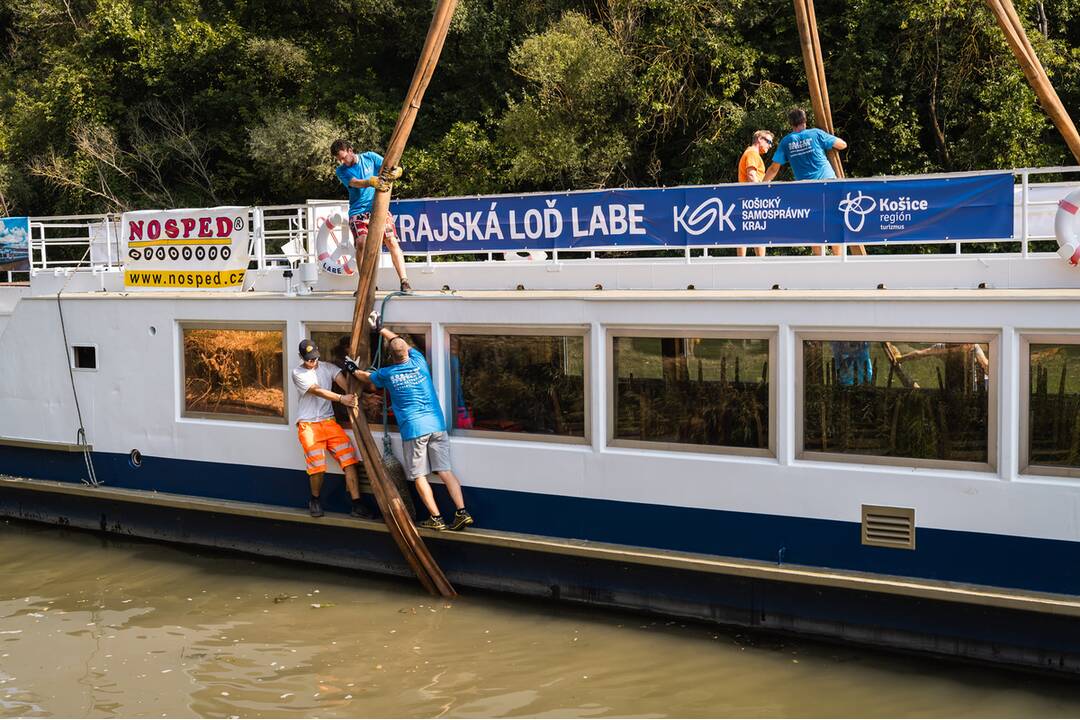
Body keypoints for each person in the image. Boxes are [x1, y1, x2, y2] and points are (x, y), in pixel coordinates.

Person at [343, 318, 473, 531]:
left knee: (419, 476)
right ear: (407, 352)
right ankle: (462, 512)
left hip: (414, 430)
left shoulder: (387, 374)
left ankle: (436, 518)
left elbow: (363, 377)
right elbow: (398, 341)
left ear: (391, 357)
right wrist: (381, 328)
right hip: (437, 425)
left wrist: (351, 367)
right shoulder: (419, 361)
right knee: (445, 471)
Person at [291, 339, 372, 519]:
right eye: (309, 359)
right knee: (317, 467)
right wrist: (341, 399)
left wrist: (359, 396)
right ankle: (315, 500)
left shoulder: (327, 367)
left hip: (329, 422)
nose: (312, 362)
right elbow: (317, 390)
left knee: (349, 460)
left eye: (314, 358)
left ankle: (356, 504)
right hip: (308, 425)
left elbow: (344, 383)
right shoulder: (297, 373)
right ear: (301, 357)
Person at [763, 108, 848, 255]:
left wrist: (761, 185)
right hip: (828, 184)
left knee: (814, 226)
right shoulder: (816, 133)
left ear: (791, 123)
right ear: (805, 120)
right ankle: (837, 260)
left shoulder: (786, 141)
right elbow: (842, 144)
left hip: (806, 189)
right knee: (833, 223)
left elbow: (773, 168)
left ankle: (819, 261)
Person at [330, 139, 411, 292]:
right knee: (361, 242)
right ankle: (365, 283)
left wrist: (398, 171)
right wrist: (371, 181)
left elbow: (390, 167)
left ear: (350, 150)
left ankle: (404, 281)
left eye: (343, 157)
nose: (341, 161)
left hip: (378, 207)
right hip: (358, 212)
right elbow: (355, 183)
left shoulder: (370, 157)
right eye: (339, 159)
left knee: (391, 241)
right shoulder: (341, 171)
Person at [735, 130, 774, 258]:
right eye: (768, 141)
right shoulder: (752, 153)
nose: (770, 145)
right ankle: (761, 263)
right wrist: (760, 193)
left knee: (746, 232)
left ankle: (741, 263)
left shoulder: (750, 153)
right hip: (752, 198)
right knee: (759, 231)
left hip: (747, 197)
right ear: (759, 139)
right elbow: (751, 175)